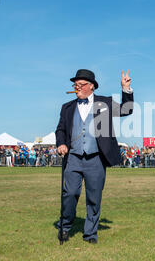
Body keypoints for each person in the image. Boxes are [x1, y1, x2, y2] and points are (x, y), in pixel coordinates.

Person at [56, 69, 134, 244]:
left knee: (94, 197)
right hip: (74, 157)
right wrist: (61, 143)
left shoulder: (104, 103)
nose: (77, 88)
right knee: (70, 193)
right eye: (75, 85)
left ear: (91, 87)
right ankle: (65, 226)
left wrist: (126, 89)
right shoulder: (67, 107)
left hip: (96, 158)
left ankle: (90, 234)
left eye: (81, 85)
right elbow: (60, 129)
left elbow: (126, 110)